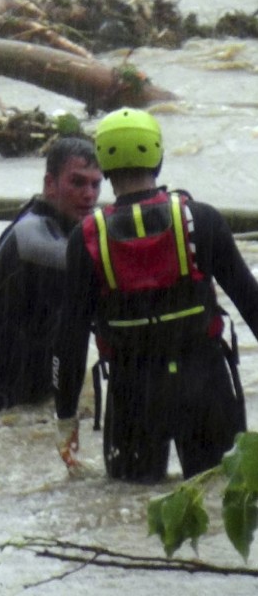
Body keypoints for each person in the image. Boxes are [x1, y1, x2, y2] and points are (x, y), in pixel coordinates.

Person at [53, 108, 257, 482]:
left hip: (134, 395)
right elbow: (253, 303)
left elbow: (70, 341)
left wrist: (65, 419)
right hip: (205, 386)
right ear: (158, 157)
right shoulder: (202, 219)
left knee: (130, 512)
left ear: (104, 165)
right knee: (217, 499)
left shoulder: (86, 239)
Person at [0, 137, 103, 419]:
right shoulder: (32, 239)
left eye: (95, 184)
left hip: (28, 397)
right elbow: (95, 278)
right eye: (77, 182)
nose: (88, 195)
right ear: (50, 184)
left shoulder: (58, 228)